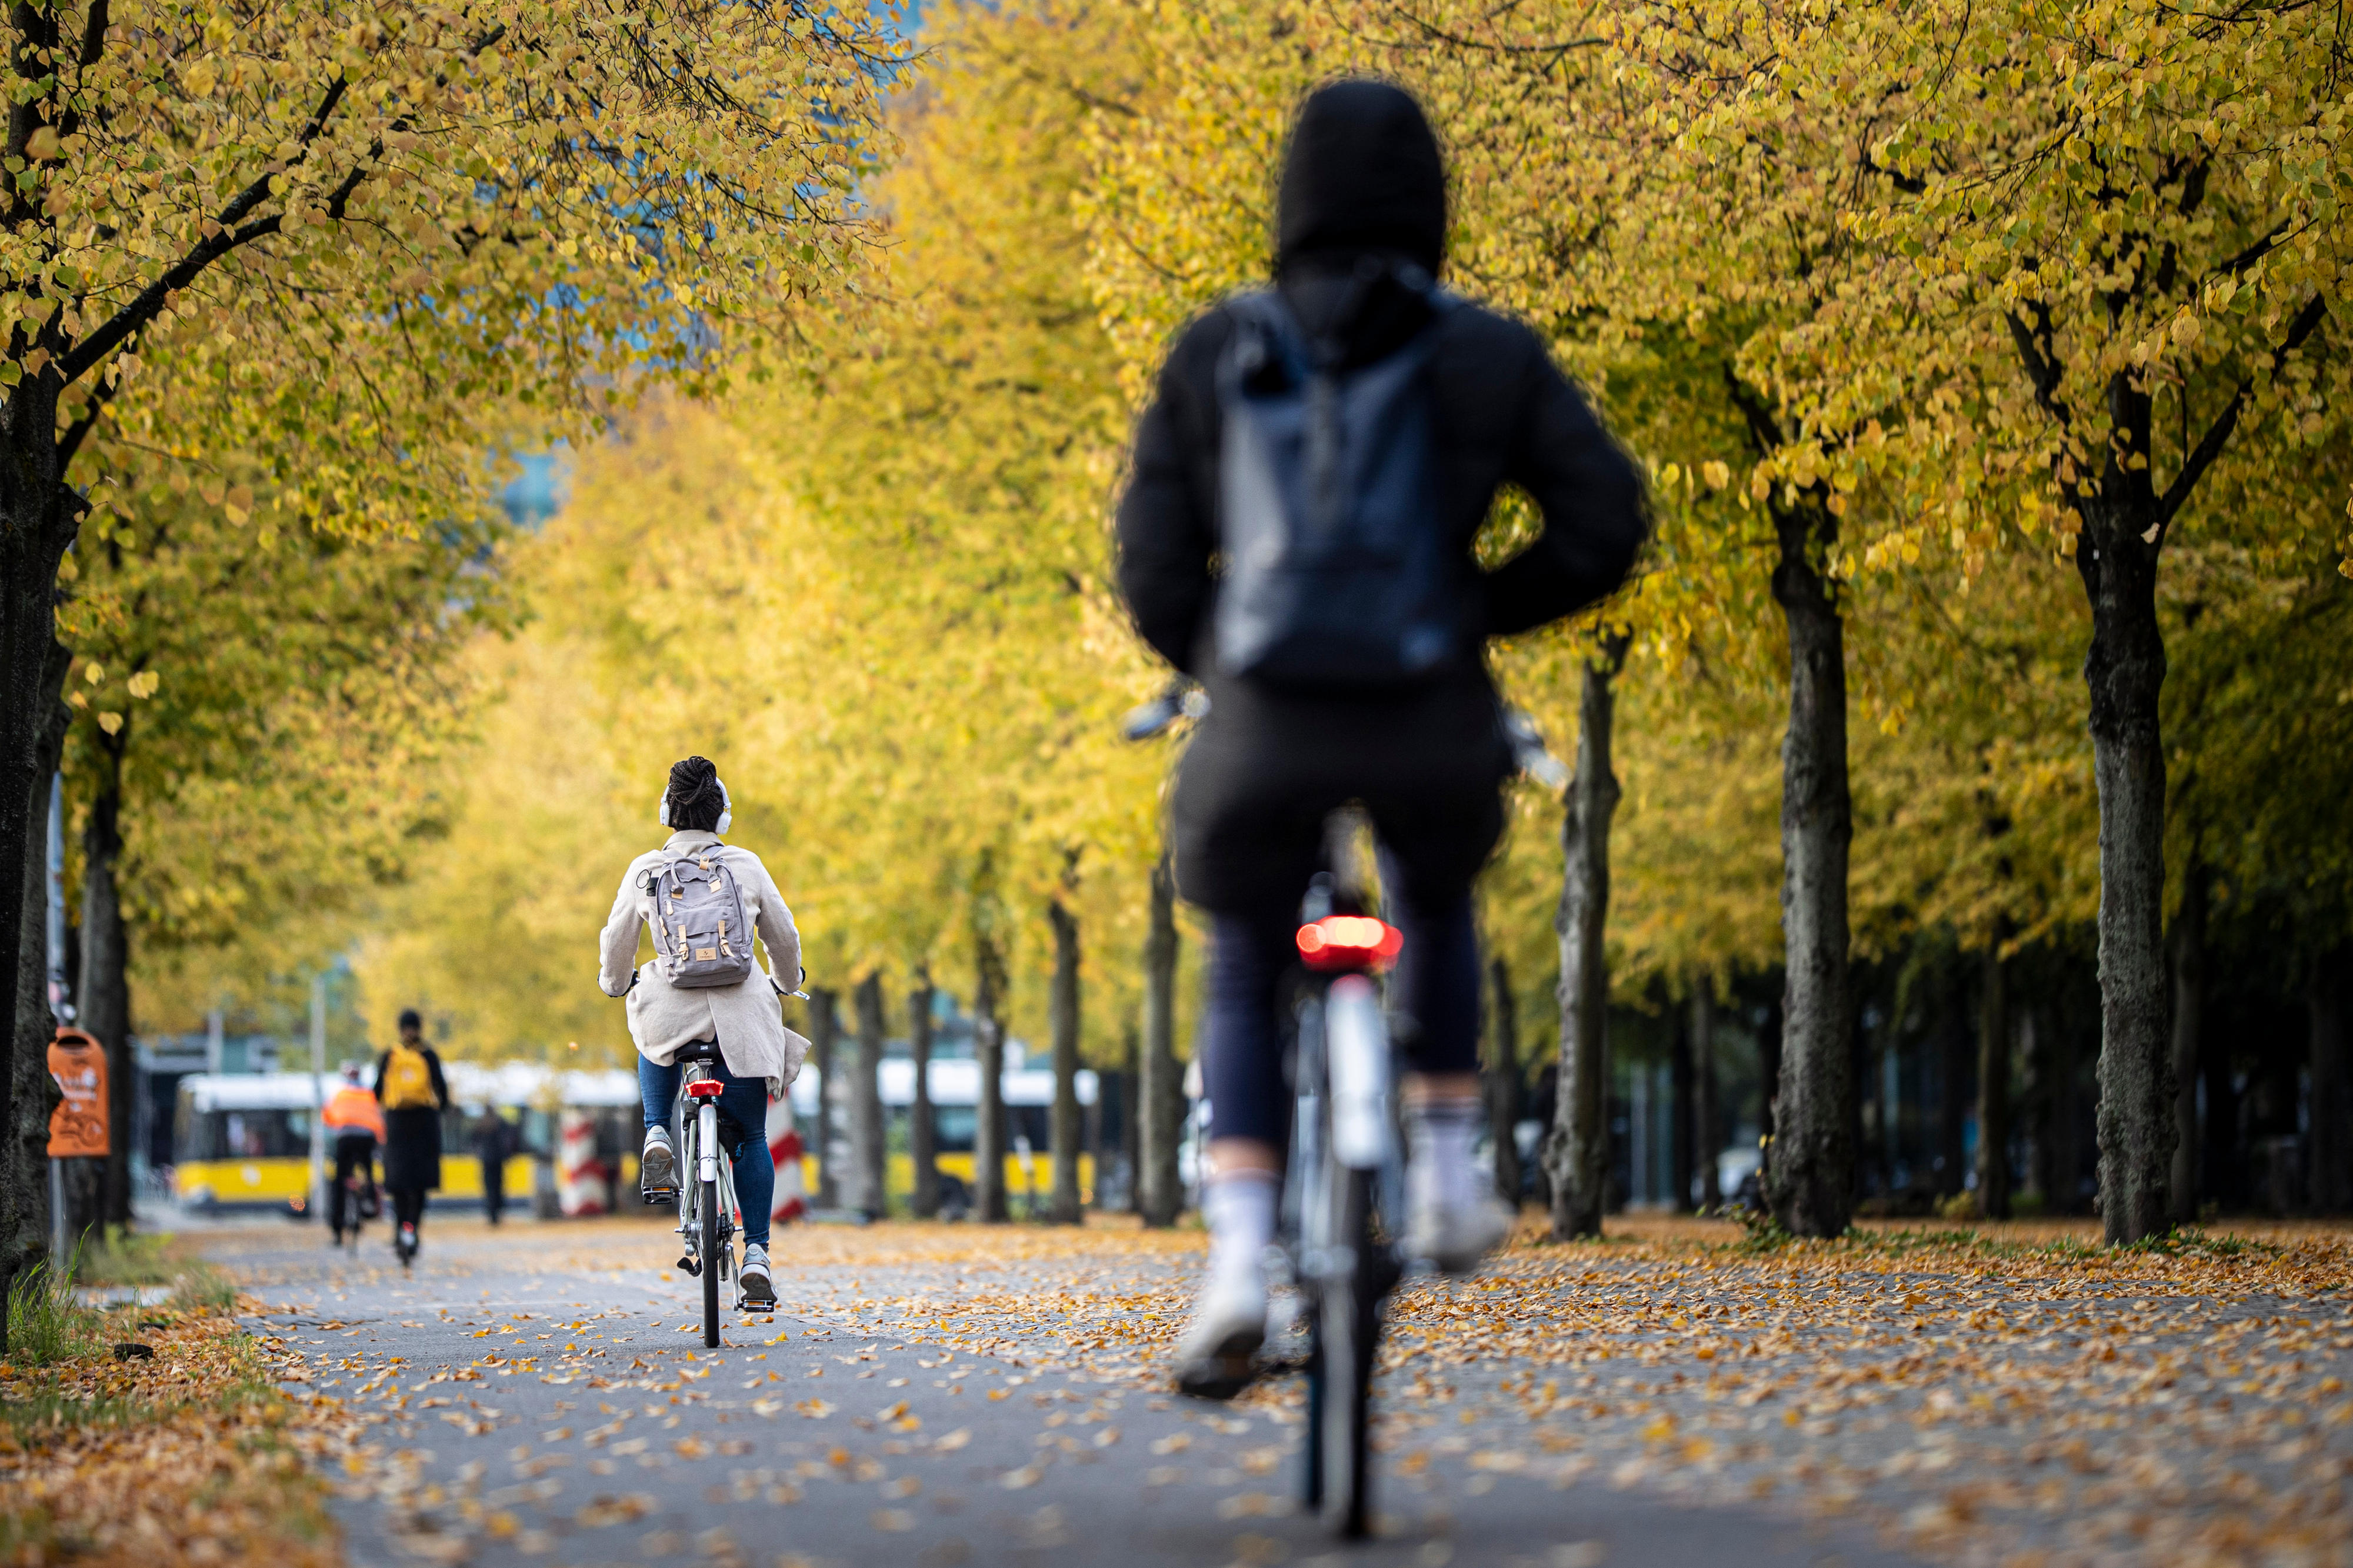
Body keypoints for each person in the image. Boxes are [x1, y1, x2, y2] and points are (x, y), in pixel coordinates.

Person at [1114, 79, 1645, 1397]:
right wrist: (1467, 614)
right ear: (1431, 207)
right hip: (1427, 715)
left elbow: (1149, 563)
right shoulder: (1486, 355)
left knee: (1243, 957)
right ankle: (1452, 1165)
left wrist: (1225, 660)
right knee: (1432, 888)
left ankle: (1237, 1261)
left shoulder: (1217, 350)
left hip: (1264, 725)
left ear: (1288, 206)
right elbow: (1604, 521)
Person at [599, 756, 805, 1309]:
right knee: (754, 1139)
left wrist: (616, 983)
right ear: (723, 817)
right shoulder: (746, 865)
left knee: (648, 1028)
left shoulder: (645, 869)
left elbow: (618, 940)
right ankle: (757, 1254)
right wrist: (788, 981)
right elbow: (782, 937)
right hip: (742, 1020)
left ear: (667, 812)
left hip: (672, 1013)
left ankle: (657, 1134)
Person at [375, 1009, 450, 1267]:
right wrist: (437, 1112)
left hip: (397, 1125)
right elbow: (443, 1090)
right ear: (420, 1028)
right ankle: (412, 1230)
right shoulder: (429, 1055)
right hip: (424, 1124)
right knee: (419, 1185)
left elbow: (376, 1092)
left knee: (398, 1184)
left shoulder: (389, 1055)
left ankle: (400, 1229)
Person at [323, 1062, 386, 1247]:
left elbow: (327, 1117)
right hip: (367, 1139)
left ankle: (337, 1229)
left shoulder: (339, 1093)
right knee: (367, 1171)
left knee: (340, 1182)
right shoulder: (369, 1094)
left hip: (345, 1140)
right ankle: (368, 1201)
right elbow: (379, 1118)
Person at [473, 1109, 519, 1226]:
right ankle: (497, 1213)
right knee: (498, 1187)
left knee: (489, 1188)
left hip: (486, 1162)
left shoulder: (481, 1125)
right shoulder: (500, 1124)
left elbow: (474, 1141)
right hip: (498, 1161)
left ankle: (491, 1213)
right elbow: (509, 1140)